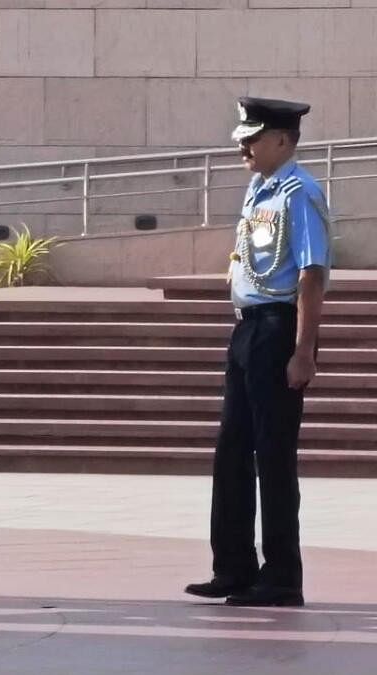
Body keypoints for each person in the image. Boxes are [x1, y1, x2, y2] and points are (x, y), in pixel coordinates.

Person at [185, 96, 331, 608]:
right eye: (243, 137)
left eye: (254, 137)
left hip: (277, 328)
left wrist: (304, 350)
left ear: (283, 141)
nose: (243, 145)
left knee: (272, 453)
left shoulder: (298, 192)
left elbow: (312, 274)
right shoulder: (257, 190)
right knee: (231, 452)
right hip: (247, 327)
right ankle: (234, 567)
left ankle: (282, 576)